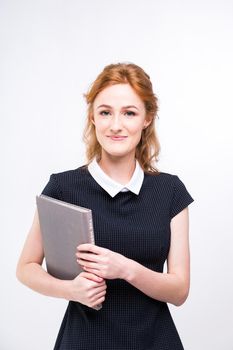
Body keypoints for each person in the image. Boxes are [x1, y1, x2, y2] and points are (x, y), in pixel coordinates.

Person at [16, 62, 194, 350]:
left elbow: (179, 291)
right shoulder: (63, 188)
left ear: (147, 118)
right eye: (105, 112)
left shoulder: (170, 191)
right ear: (93, 117)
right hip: (84, 342)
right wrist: (69, 290)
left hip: (155, 342)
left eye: (129, 113)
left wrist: (125, 269)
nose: (116, 125)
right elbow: (26, 267)